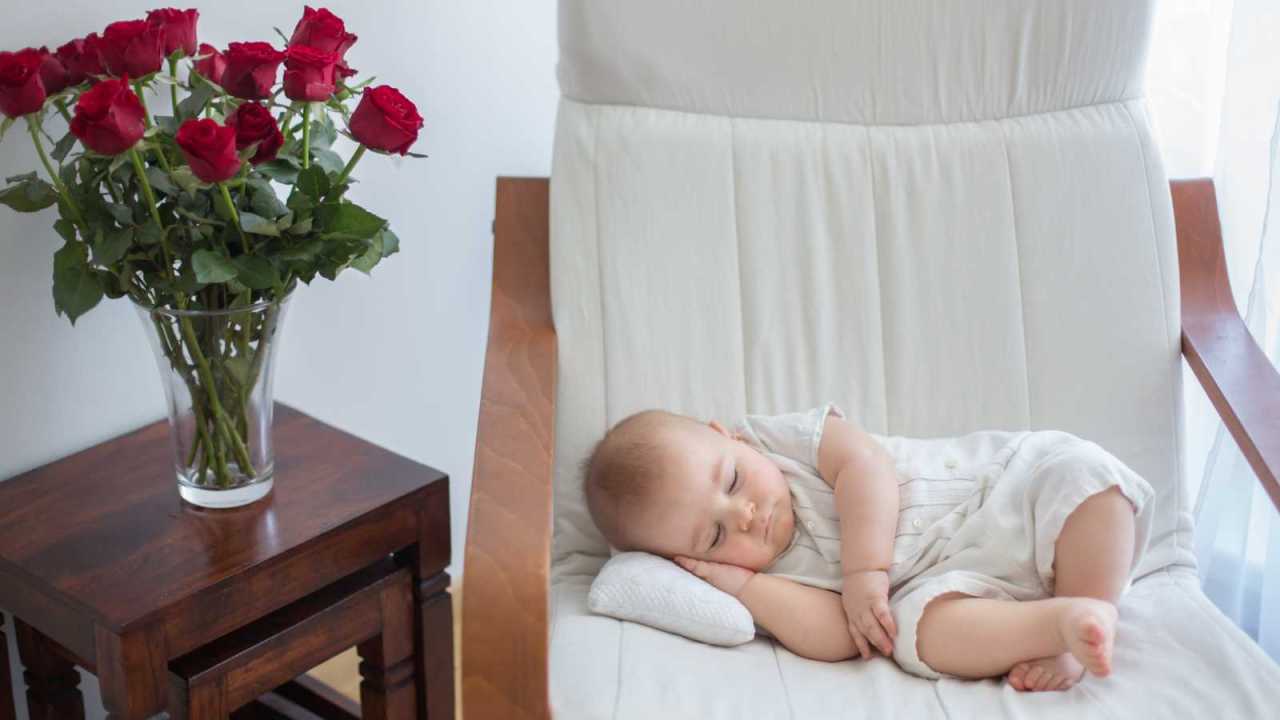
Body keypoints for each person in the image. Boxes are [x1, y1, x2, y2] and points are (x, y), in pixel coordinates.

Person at [582, 402, 1155, 692]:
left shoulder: (781, 440)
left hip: (1002, 491)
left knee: (1082, 475)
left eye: (732, 481)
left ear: (725, 435)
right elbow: (841, 636)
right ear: (695, 563)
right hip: (953, 584)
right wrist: (745, 587)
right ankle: (1063, 626)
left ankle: (1086, 595)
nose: (746, 516)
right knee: (915, 636)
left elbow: (866, 464)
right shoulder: (763, 582)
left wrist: (864, 570)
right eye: (714, 536)